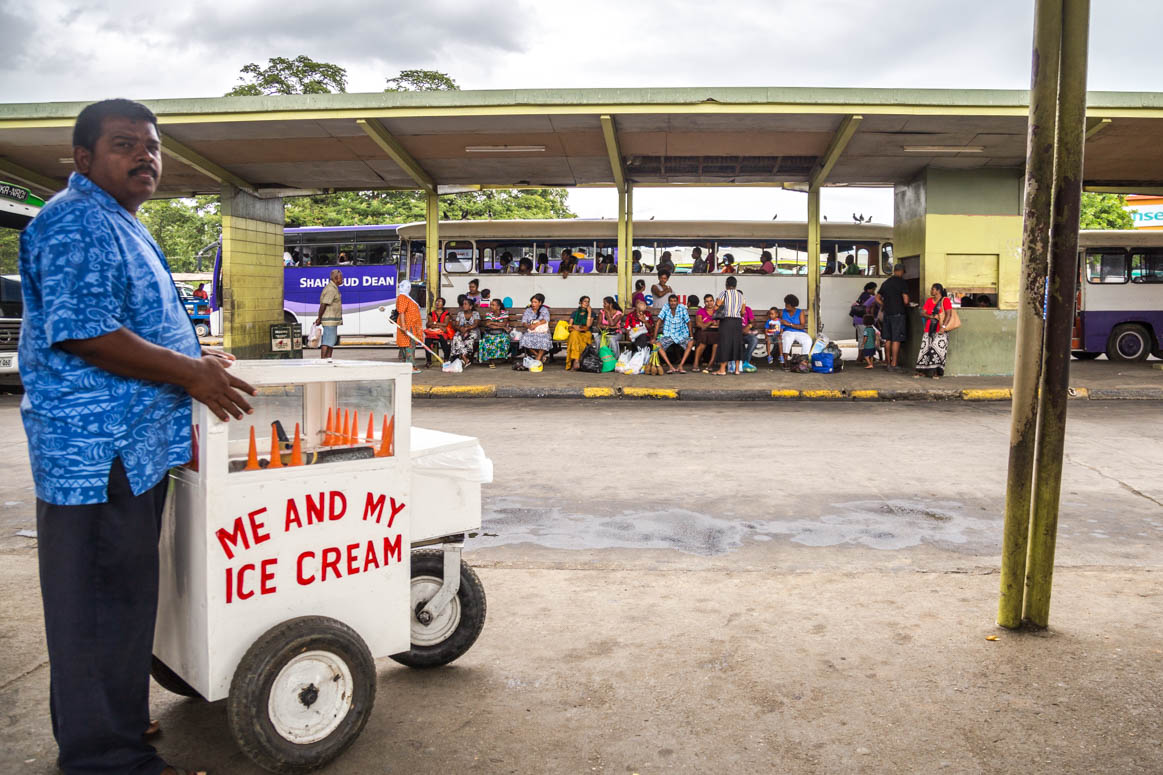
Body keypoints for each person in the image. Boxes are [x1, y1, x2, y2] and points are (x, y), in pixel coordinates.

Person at [19, 98, 255, 775]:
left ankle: (116, 718)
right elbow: (86, 330)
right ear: (84, 158)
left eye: (152, 146)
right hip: (97, 454)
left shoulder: (115, 219)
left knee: (124, 599)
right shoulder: (75, 221)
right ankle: (103, 759)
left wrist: (197, 357)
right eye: (124, 144)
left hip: (133, 450)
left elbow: (133, 320)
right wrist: (192, 374)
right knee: (94, 605)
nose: (145, 157)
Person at [877, 263, 911, 372]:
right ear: (901, 271)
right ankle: (894, 363)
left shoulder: (886, 282)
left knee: (888, 339)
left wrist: (884, 304)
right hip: (898, 314)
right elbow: (906, 300)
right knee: (896, 339)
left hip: (887, 313)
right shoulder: (902, 282)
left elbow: (877, 298)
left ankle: (887, 362)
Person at [915, 283, 954, 378]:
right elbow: (923, 313)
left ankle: (936, 372)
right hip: (928, 329)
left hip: (940, 329)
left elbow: (949, 315)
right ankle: (922, 371)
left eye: (933, 289)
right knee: (925, 350)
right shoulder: (929, 301)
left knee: (937, 351)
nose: (931, 291)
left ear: (938, 291)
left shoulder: (945, 301)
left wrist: (943, 327)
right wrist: (932, 316)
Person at [712, 276, 746, 376]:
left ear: (726, 284)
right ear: (735, 285)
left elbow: (716, 307)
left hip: (726, 321)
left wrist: (717, 305)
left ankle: (722, 370)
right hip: (737, 322)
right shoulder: (741, 295)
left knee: (725, 344)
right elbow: (743, 312)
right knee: (737, 343)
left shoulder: (724, 293)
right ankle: (737, 370)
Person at [654, 293, 692, 373]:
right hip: (669, 335)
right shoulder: (665, 307)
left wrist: (691, 336)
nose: (673, 303)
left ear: (677, 302)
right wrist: (654, 338)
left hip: (681, 335)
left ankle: (681, 365)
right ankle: (670, 366)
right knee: (657, 345)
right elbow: (658, 322)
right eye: (671, 301)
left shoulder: (682, 308)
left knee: (690, 343)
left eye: (674, 301)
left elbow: (689, 322)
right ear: (668, 302)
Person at [394, 280, 424, 373]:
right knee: (409, 345)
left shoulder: (406, 297)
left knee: (408, 345)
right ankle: (410, 366)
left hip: (411, 325)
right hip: (408, 326)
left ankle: (406, 366)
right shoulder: (402, 297)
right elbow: (402, 312)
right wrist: (403, 325)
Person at [315, 268, 344, 359]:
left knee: (331, 341)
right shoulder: (331, 289)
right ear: (335, 278)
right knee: (327, 341)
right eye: (340, 278)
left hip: (332, 320)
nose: (342, 279)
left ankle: (328, 358)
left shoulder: (334, 288)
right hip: (329, 320)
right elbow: (324, 304)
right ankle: (323, 359)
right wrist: (319, 318)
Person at [448, 297, 482, 367]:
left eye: (466, 304)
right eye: (463, 304)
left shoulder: (475, 313)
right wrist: (461, 328)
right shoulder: (460, 313)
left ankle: (463, 356)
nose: (464, 306)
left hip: (473, 331)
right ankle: (463, 357)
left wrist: (467, 328)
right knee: (456, 337)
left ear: (470, 306)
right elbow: (456, 325)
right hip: (461, 331)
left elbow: (476, 324)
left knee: (469, 339)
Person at [479, 298, 511, 368]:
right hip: (490, 332)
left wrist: (493, 323)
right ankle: (491, 360)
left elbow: (504, 324)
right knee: (488, 340)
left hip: (501, 333)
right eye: (491, 304)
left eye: (493, 305)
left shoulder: (504, 313)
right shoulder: (489, 314)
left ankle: (500, 357)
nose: (491, 306)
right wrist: (501, 326)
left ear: (498, 307)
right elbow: (488, 324)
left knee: (504, 338)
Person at [519, 293, 551, 363]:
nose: (533, 304)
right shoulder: (528, 310)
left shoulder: (544, 310)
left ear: (540, 303)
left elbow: (546, 319)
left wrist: (536, 324)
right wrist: (528, 326)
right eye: (532, 302)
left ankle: (537, 360)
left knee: (545, 340)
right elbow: (524, 322)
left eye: (535, 302)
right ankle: (539, 356)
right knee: (524, 339)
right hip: (531, 331)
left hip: (543, 332)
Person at [780, 294, 813, 360]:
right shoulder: (782, 312)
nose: (786, 306)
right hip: (787, 331)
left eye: (788, 305)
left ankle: (803, 361)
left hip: (799, 332)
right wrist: (780, 332)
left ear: (793, 306)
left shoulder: (800, 312)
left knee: (808, 340)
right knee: (787, 339)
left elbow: (802, 326)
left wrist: (789, 324)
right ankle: (785, 361)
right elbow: (780, 324)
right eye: (785, 304)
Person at [565, 295, 594, 371]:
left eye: (588, 302)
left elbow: (588, 326)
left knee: (577, 337)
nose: (586, 303)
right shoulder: (575, 313)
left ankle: (576, 360)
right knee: (574, 335)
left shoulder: (592, 313)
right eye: (585, 301)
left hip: (586, 333)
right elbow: (570, 326)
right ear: (580, 302)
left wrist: (589, 312)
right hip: (575, 332)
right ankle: (577, 360)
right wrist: (575, 328)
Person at [423, 296, 453, 366]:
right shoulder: (431, 314)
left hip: (442, 333)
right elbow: (429, 324)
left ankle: (446, 359)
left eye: (439, 302)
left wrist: (434, 323)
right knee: (427, 341)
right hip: (432, 333)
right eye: (436, 301)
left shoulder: (447, 314)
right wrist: (438, 325)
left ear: (443, 304)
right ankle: (429, 361)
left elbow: (445, 324)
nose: (437, 303)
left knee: (445, 341)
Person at [693, 293, 720, 371]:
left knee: (716, 342)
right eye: (707, 301)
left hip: (715, 332)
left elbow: (720, 324)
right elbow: (699, 324)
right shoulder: (701, 311)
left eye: (711, 301)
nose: (709, 303)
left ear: (713, 301)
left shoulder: (717, 311)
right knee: (702, 341)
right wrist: (710, 323)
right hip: (703, 332)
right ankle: (695, 363)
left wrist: (707, 324)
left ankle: (710, 364)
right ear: (704, 303)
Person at [739, 304, 758, 372]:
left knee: (754, 340)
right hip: (735, 334)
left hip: (745, 333)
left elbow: (753, 322)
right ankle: (744, 362)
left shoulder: (747, 309)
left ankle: (745, 361)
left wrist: (749, 326)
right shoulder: (732, 310)